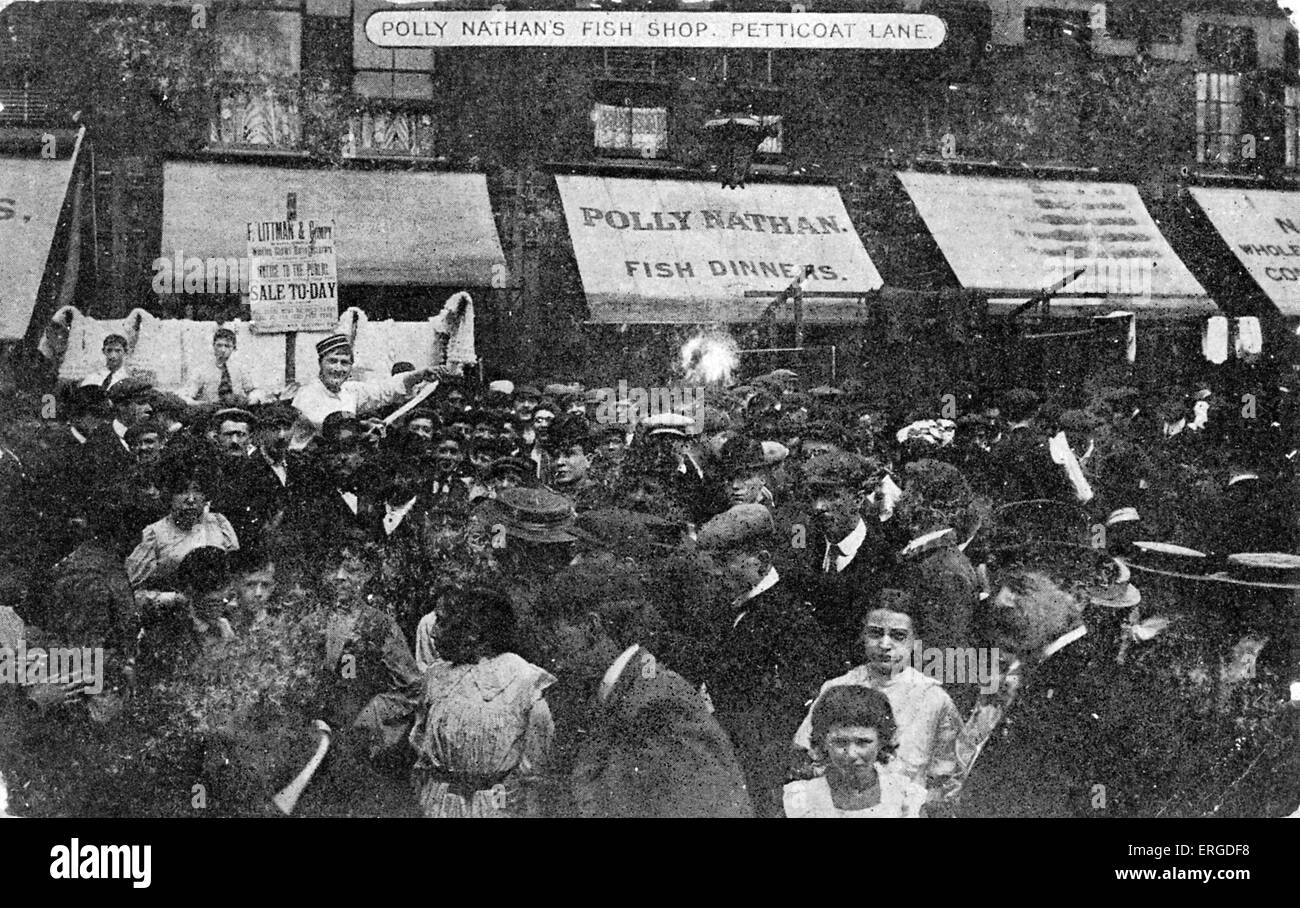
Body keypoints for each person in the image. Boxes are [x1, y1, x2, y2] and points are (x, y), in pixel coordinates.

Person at [794, 589, 962, 806]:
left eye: (898, 636)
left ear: (914, 640)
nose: (884, 644)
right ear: (862, 635)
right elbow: (805, 755)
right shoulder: (836, 688)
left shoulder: (934, 699)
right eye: (875, 633)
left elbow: (947, 779)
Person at [409, 588, 556, 818]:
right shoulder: (435, 677)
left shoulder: (523, 681)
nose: (434, 633)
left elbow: (535, 767)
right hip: (439, 806)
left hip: (497, 807)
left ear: (473, 632)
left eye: (443, 622)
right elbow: (422, 747)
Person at [783, 686, 927, 818]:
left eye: (863, 742)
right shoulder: (801, 800)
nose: (851, 754)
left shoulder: (905, 797)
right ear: (823, 742)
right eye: (840, 742)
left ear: (882, 742)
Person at [289, 334, 443, 450]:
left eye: (344, 363)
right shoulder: (307, 394)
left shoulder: (349, 391)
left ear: (350, 367)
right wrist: (362, 425)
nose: (338, 368)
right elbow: (330, 426)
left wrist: (418, 375)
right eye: (332, 361)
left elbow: (384, 391)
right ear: (320, 364)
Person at [126, 448, 240, 589]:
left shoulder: (219, 524)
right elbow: (133, 588)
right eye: (182, 491)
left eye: (198, 490)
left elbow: (236, 579)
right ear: (169, 495)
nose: (191, 499)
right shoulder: (154, 534)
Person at [178, 327, 264, 406]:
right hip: (211, 412)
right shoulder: (201, 370)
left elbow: (252, 390)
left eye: (227, 346)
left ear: (233, 348)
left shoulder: (240, 369)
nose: (223, 350)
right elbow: (186, 395)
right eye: (219, 345)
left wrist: (252, 399)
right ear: (213, 346)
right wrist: (200, 404)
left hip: (237, 410)